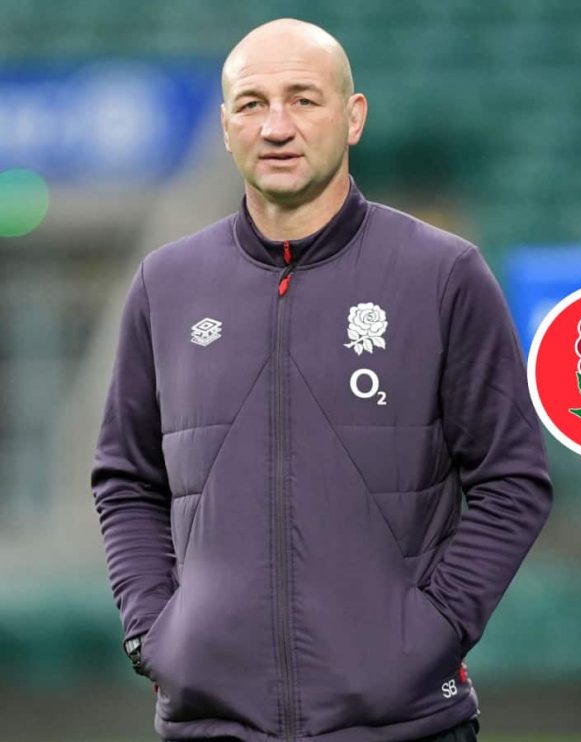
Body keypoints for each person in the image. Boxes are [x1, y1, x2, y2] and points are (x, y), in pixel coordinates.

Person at [91, 19, 552, 742]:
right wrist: (156, 632)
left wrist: (430, 632)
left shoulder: (444, 273)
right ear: (223, 126)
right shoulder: (165, 284)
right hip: (212, 724)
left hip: (404, 724)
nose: (276, 126)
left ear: (354, 116)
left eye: (303, 99)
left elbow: (512, 479)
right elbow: (126, 478)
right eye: (252, 104)